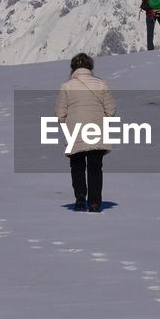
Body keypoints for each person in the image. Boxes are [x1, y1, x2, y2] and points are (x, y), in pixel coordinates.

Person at [55, 53, 116, 212]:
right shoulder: (101, 84)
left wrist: (68, 124)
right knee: (95, 167)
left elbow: (60, 113)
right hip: (96, 130)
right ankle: (95, 202)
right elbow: (111, 110)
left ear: (73, 68)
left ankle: (80, 198)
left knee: (77, 166)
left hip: (74, 131)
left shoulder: (66, 86)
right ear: (90, 67)